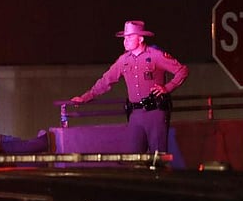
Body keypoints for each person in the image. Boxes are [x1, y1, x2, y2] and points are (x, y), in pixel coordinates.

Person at [70, 20, 188, 154]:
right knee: (133, 155)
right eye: (125, 37)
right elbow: (106, 80)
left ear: (141, 38)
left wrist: (167, 87)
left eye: (130, 37)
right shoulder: (124, 60)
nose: (125, 41)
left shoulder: (156, 55)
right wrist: (85, 97)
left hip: (155, 112)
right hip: (135, 114)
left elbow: (182, 70)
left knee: (158, 156)